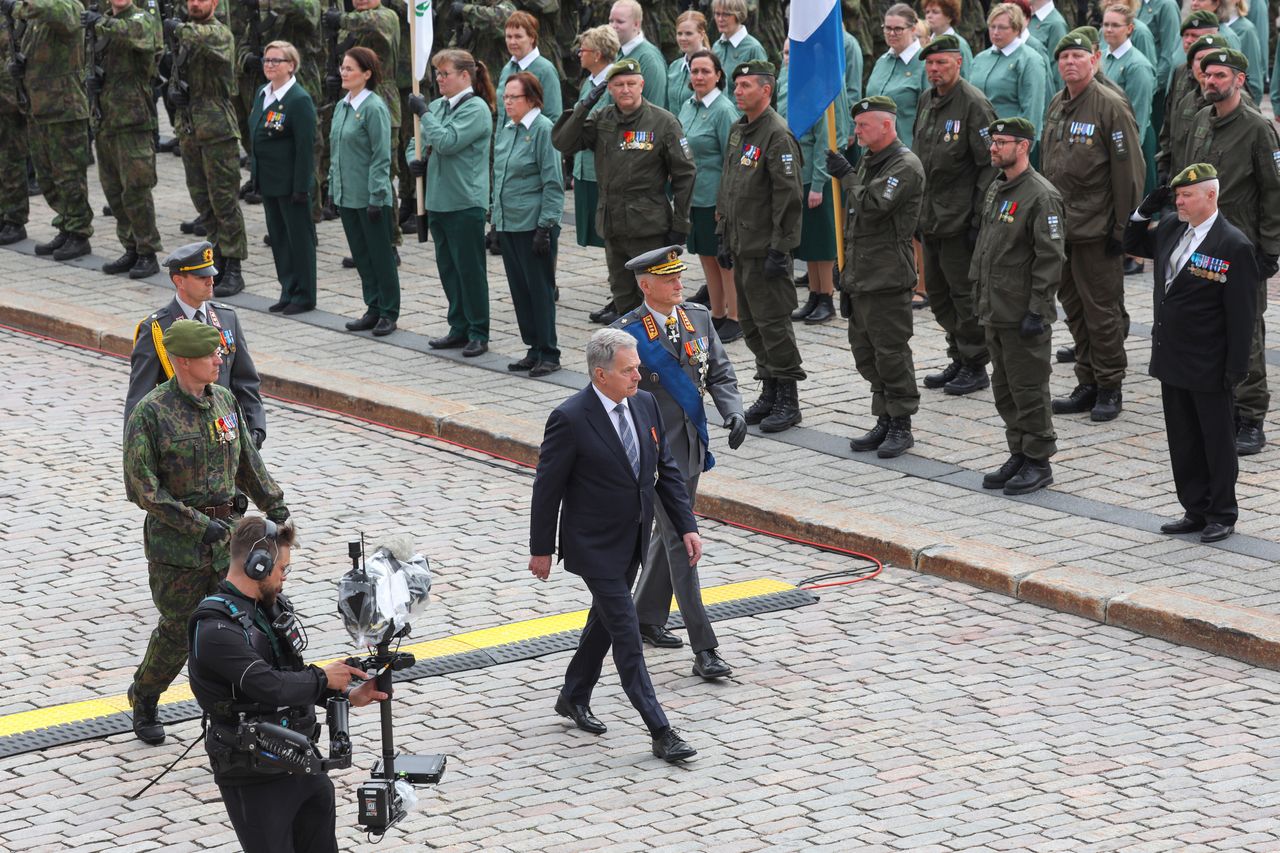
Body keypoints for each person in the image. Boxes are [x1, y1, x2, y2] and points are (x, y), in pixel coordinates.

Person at [528, 328, 701, 764]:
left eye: (638, 367)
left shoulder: (644, 405)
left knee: (604, 621)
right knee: (626, 632)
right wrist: (541, 548)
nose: (638, 377)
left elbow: (666, 472)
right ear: (601, 375)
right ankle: (661, 730)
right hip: (593, 545)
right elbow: (547, 488)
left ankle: (573, 694)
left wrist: (687, 526)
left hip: (633, 540)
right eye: (629, 371)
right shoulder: (569, 418)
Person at [123, 319, 289, 745]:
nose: (220, 360)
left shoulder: (225, 403)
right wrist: (199, 525)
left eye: (220, 353)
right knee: (179, 632)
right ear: (182, 361)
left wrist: (275, 506)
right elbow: (142, 489)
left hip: (231, 542)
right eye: (209, 355)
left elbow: (248, 464)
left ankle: (238, 708)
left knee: (249, 624)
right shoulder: (151, 413)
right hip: (178, 548)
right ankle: (144, 696)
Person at [188, 516, 387, 852]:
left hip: (303, 761)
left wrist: (345, 691)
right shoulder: (215, 629)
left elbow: (290, 676)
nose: (284, 578)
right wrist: (323, 677)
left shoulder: (269, 608)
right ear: (257, 566)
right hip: (256, 777)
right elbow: (268, 686)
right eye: (282, 569)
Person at [611, 246, 746, 680]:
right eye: (668, 279)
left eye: (679, 276)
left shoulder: (699, 318)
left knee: (667, 533)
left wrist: (733, 411)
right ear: (645, 285)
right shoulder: (626, 336)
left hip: (688, 449)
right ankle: (705, 648)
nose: (679, 284)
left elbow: (720, 373)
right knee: (681, 543)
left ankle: (646, 616)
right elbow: (613, 401)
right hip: (650, 457)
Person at [1124, 165, 1256, 542]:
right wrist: (1142, 213)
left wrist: (1236, 368)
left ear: (1211, 195)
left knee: (1216, 442)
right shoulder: (1169, 228)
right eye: (1177, 195)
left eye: (1187, 195)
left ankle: (1222, 513)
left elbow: (1243, 315)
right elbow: (1132, 244)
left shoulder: (1232, 245)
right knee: (1183, 440)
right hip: (1172, 356)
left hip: (1210, 363)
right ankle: (1195, 508)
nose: (1179, 201)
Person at [1041, 30, 1144, 423]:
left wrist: (1125, 229)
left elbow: (1130, 173)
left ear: (1094, 59)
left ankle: (1109, 385)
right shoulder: (1058, 102)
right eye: (1063, 56)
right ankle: (1087, 380)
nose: (1069, 62)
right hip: (1062, 229)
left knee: (1102, 311)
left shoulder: (1109, 105)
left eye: (1077, 56)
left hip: (1098, 229)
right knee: (1075, 309)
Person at [1182, 48, 1280, 455]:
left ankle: (1251, 416)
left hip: (1242, 246)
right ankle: (1220, 403)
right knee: (1209, 327)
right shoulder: (1201, 120)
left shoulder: (1258, 129)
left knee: (1245, 331)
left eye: (1220, 75)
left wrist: (1270, 249)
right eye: (1207, 75)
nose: (1211, 81)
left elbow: (1274, 191)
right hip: (1203, 242)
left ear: (1240, 80)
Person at [552, 58, 695, 322]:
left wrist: (681, 222)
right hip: (613, 223)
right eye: (618, 84)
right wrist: (584, 104)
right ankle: (635, 357)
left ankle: (667, 355)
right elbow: (564, 142)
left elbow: (685, 174)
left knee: (658, 298)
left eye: (631, 83)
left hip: (648, 226)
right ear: (609, 89)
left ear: (642, 85)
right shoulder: (602, 118)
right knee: (623, 298)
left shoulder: (663, 123)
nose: (625, 89)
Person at [970, 117, 1066, 494]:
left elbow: (1051, 257)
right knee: (1005, 387)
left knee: (1028, 388)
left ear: (1023, 146)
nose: (993, 148)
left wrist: (1038, 310)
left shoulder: (1042, 196)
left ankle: (1039, 459)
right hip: (994, 306)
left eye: (1002, 142)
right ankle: (1019, 450)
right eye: (992, 141)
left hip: (1022, 310)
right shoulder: (997, 188)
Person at [826, 96, 925, 458]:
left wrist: (847, 176)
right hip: (863, 273)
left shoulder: (905, 165)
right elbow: (853, 218)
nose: (857, 131)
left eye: (863, 125)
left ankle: (901, 422)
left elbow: (872, 207)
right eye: (856, 125)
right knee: (865, 353)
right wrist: (845, 263)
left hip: (887, 275)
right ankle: (883, 416)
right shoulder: (871, 159)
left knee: (891, 353)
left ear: (886, 125)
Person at [717, 59, 804, 434]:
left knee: (774, 324)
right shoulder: (740, 130)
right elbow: (730, 184)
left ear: (766, 90)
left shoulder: (776, 135)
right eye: (736, 85)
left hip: (765, 248)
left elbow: (789, 198)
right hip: (742, 244)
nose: (738, 91)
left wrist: (780, 248)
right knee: (752, 324)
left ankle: (788, 397)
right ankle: (768, 387)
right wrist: (723, 233)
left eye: (746, 85)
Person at [911, 35, 997, 397]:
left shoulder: (973, 104)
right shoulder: (926, 101)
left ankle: (975, 363)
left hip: (960, 219)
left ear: (958, 63)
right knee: (941, 295)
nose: (934, 70)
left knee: (964, 295)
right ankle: (958, 355)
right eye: (929, 64)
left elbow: (989, 165)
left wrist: (979, 218)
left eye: (941, 63)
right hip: (931, 217)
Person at [125, 241, 267, 445]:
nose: (210, 281)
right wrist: (137, 453)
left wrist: (256, 430)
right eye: (201, 277)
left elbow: (245, 380)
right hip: (182, 442)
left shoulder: (226, 318)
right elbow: (139, 399)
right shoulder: (157, 329)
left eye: (211, 275)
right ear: (179, 281)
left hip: (226, 439)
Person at [407, 49, 495, 357]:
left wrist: (425, 115)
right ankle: (458, 326)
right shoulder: (437, 106)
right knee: (448, 269)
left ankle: (478, 330)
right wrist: (414, 160)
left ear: (465, 76)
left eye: (445, 74)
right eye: (438, 74)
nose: (440, 79)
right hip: (438, 200)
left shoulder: (476, 109)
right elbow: (415, 141)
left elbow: (445, 141)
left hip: (464, 201)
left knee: (469, 269)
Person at [164, 0, 247, 297]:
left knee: (224, 200)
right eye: (191, 0)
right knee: (202, 199)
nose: (195, 4)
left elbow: (202, 39)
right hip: (189, 127)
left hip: (216, 128)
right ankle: (219, 255)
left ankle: (235, 265)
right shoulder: (183, 35)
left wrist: (176, 28)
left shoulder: (219, 32)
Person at [83, 0, 163, 279]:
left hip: (133, 119)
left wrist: (98, 23)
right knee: (114, 190)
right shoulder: (97, 21)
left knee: (136, 190)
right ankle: (130, 245)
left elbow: (136, 33)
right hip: (105, 119)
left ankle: (147, 251)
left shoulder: (140, 18)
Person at [493, 71, 564, 377]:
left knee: (540, 289)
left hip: (534, 225)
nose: (507, 102)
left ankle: (549, 351)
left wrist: (545, 226)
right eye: (505, 97)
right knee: (520, 290)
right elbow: (499, 177)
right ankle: (532, 347)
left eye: (513, 97)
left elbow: (553, 183)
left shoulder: (543, 130)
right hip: (510, 222)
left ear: (532, 99)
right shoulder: (509, 129)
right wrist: (496, 221)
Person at [10, 0, 93, 261]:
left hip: (64, 107)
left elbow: (56, 12)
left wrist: (15, 6)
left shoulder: (69, 7)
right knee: (47, 175)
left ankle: (79, 233)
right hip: (39, 106)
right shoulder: (34, 21)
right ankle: (65, 224)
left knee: (69, 175)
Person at [330, 47, 399, 337]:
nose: (343, 73)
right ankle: (372, 307)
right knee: (361, 255)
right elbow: (336, 151)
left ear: (367, 74)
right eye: (342, 68)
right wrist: (333, 189)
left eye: (350, 69)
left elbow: (381, 156)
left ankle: (389, 311)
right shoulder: (342, 105)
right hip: (348, 197)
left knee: (380, 256)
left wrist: (376, 196)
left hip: (371, 198)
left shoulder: (373, 108)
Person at [778, 40, 847, 327]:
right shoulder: (787, 83)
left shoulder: (822, 87)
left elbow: (826, 141)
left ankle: (827, 298)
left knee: (821, 243)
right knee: (808, 243)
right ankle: (815, 295)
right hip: (794, 172)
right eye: (785, 53)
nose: (788, 59)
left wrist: (819, 183)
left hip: (814, 176)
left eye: (793, 53)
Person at [327, 0, 403, 252]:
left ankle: (389, 240)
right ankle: (364, 239)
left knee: (383, 173)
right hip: (351, 97)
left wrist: (341, 19)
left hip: (382, 98)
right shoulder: (351, 20)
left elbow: (373, 23)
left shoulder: (385, 15)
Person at [249, 41, 318, 315]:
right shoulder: (262, 93)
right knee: (279, 239)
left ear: (291, 66)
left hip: (291, 185)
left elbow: (305, 147)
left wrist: (302, 186)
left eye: (276, 61)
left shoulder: (298, 100)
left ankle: (304, 295)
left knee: (298, 240)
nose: (269, 65)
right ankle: (288, 289)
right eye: (266, 60)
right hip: (269, 182)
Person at [678, 49, 742, 342]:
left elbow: (732, 159)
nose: (699, 76)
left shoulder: (723, 110)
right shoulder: (688, 105)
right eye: (694, 71)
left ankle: (735, 316)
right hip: (695, 196)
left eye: (705, 71)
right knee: (706, 257)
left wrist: (725, 203)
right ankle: (717, 313)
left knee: (724, 261)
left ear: (718, 75)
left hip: (717, 197)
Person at [566, 23, 619, 314]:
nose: (578, 55)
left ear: (597, 54)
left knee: (612, 236)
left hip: (604, 170)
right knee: (602, 236)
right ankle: (616, 293)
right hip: (586, 168)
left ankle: (622, 295)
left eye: (583, 50)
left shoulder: (610, 84)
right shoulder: (590, 81)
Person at [969, 4, 1049, 140]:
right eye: (992, 26)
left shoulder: (1030, 60)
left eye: (1002, 27)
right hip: (977, 140)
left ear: (1017, 29)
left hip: (1009, 141)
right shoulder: (980, 59)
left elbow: (1032, 110)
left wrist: (1022, 147)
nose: (995, 32)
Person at [866, 4, 925, 147]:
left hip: (905, 154)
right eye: (887, 28)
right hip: (873, 151)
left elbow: (929, 119)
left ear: (913, 29)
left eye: (898, 29)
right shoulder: (882, 61)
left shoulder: (924, 64)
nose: (891, 33)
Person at [495, 10, 563, 123]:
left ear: (532, 38)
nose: (512, 42)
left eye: (518, 36)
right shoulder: (507, 69)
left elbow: (553, 117)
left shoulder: (545, 70)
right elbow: (502, 117)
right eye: (509, 36)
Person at [1189, 0, 1263, 101]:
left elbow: (1253, 79)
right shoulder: (1187, 33)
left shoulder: (1239, 32)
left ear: (1217, 3)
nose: (1194, 3)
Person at [609, 0, 666, 109]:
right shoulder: (620, 53)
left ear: (636, 24)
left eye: (620, 22)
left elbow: (655, 108)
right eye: (611, 21)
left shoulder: (649, 58)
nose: (613, 26)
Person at [666, 10, 709, 110]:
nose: (683, 38)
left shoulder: (712, 67)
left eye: (688, 33)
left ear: (701, 35)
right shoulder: (674, 67)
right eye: (679, 33)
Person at [711, 0, 766, 73]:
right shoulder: (716, 47)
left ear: (738, 15)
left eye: (726, 14)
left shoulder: (754, 49)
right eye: (717, 14)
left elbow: (763, 81)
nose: (720, 19)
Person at [923, 0, 976, 74]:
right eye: (927, 12)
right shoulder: (925, 41)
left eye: (935, 12)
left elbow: (967, 75)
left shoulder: (959, 44)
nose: (929, 16)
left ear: (949, 17)